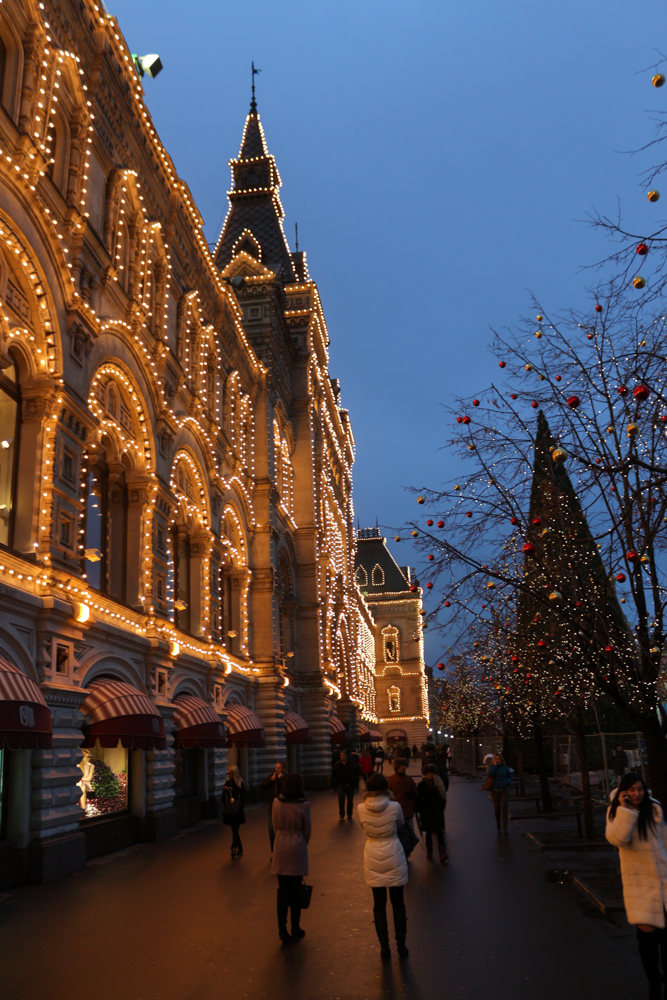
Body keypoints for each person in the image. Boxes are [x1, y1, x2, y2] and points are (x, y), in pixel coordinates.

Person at [606, 773, 667, 1000]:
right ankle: (654, 983)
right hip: (640, 885)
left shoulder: (655, 809)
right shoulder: (617, 812)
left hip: (663, 881)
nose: (636, 794)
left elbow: (665, 841)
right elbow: (616, 839)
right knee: (648, 941)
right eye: (631, 790)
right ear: (624, 791)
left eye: (640, 789)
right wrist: (625, 811)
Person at [357, 773, 409, 959]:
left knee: (378, 904)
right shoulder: (395, 806)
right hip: (393, 851)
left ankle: (384, 947)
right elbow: (401, 824)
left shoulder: (361, 808)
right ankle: (401, 945)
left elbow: (365, 828)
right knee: (398, 903)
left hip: (372, 852)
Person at [272, 772, 311, 943]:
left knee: (282, 890)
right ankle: (295, 927)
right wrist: (301, 842)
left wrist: (281, 836)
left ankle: (282, 929)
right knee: (296, 890)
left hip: (280, 845)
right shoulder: (304, 805)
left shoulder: (276, 802)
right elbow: (307, 829)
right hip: (297, 845)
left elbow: (274, 826)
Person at [416, 764, 448, 862]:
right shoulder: (421, 785)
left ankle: (442, 852)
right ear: (425, 774)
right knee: (429, 832)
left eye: (431, 773)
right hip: (427, 812)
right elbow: (418, 799)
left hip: (437, 811)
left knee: (439, 832)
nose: (430, 775)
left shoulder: (438, 783)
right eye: (428, 773)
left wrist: (441, 806)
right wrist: (420, 808)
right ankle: (429, 852)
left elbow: (443, 797)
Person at [387, 758, 417, 835]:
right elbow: (386, 795)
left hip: (407, 812)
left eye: (404, 765)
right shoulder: (390, 780)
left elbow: (416, 792)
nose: (403, 767)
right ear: (397, 767)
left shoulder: (409, 779)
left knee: (410, 835)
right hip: (395, 813)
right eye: (401, 765)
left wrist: (413, 794)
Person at [222, 765, 246, 858]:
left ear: (234, 773)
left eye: (229, 773)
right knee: (234, 830)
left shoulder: (240, 783)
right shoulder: (227, 783)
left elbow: (243, 797)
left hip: (238, 810)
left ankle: (234, 847)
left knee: (235, 830)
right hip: (231, 810)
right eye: (227, 773)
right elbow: (223, 797)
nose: (228, 775)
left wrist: (231, 790)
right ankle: (238, 847)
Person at [262, 761, 286, 853]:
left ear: (284, 769)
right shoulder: (272, 777)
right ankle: (274, 851)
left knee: (281, 829)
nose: (277, 769)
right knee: (271, 828)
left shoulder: (285, 778)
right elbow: (263, 786)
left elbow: (285, 789)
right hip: (272, 807)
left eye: (279, 768)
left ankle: (282, 850)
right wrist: (271, 780)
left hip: (283, 807)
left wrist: (281, 779)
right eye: (276, 767)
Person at [487, 753, 512, 833]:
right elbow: (490, 774)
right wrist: (495, 766)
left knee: (504, 808)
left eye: (498, 758)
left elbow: (509, 777)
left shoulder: (505, 767)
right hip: (495, 790)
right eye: (495, 758)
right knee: (497, 809)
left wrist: (507, 781)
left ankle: (505, 828)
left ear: (501, 759)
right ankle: (498, 824)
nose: (497, 760)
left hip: (504, 789)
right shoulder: (492, 767)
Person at [331, 750, 358, 819]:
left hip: (350, 785)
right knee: (341, 799)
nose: (342, 756)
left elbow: (355, 774)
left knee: (350, 800)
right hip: (341, 785)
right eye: (341, 755)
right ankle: (342, 813)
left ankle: (349, 813)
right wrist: (333, 784)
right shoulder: (337, 765)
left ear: (346, 756)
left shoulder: (351, 764)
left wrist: (356, 785)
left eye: (343, 755)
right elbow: (333, 775)